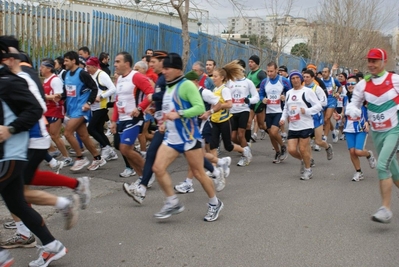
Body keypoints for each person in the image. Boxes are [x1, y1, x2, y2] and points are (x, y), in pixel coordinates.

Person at [0, 35, 67, 267]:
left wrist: (10, 129)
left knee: (19, 202)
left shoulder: (11, 81)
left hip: (10, 153)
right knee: (17, 204)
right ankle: (52, 246)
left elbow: (36, 109)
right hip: (12, 154)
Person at [152, 53, 223, 222]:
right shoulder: (169, 87)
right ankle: (172, 202)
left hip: (189, 137)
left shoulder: (186, 86)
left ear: (177, 70)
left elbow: (199, 108)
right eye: (163, 68)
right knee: (158, 168)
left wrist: (179, 114)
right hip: (172, 138)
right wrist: (164, 122)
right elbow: (170, 110)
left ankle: (214, 202)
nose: (164, 72)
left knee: (199, 173)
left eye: (167, 68)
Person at [345, 48, 399, 223]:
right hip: (377, 132)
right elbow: (354, 103)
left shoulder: (394, 80)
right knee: (394, 172)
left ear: (383, 61)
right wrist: (352, 111)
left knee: (382, 165)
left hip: (394, 130)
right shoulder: (363, 84)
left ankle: (385, 209)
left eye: (375, 61)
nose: (371, 64)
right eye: (369, 60)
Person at [63, 51, 107, 171]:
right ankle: (98, 158)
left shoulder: (82, 74)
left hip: (81, 109)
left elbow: (94, 88)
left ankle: (80, 157)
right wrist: (59, 97)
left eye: (66, 60)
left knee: (68, 133)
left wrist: (88, 103)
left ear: (73, 61)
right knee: (83, 135)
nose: (64, 63)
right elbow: (66, 92)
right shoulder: (66, 74)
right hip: (72, 109)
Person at [280, 70, 322, 180]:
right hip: (293, 125)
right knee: (292, 150)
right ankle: (304, 160)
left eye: (297, 78)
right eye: (293, 78)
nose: (295, 80)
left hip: (306, 125)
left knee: (303, 149)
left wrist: (307, 111)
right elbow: (286, 108)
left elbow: (318, 106)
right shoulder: (289, 93)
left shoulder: (307, 92)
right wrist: (283, 118)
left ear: (301, 79)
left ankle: (308, 170)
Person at [336, 74, 376, 181]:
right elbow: (344, 112)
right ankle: (359, 172)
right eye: (348, 84)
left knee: (358, 151)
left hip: (361, 127)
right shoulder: (345, 99)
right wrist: (339, 116)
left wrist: (368, 122)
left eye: (353, 83)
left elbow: (371, 110)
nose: (350, 85)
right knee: (352, 151)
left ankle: (368, 154)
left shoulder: (364, 97)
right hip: (348, 128)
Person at [85, 57, 118, 161]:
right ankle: (110, 151)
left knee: (91, 128)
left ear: (95, 66)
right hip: (94, 107)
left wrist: (101, 96)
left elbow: (113, 88)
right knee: (99, 129)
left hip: (102, 106)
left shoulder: (102, 75)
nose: (87, 69)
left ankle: (107, 147)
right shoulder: (90, 75)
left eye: (88, 67)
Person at [259, 62, 291, 163]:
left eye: (271, 71)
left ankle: (283, 146)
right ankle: (277, 152)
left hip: (279, 111)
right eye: (268, 71)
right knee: (271, 134)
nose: (269, 73)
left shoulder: (284, 81)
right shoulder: (265, 82)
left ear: (276, 70)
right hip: (269, 111)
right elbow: (261, 94)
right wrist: (262, 99)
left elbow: (291, 93)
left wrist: (285, 97)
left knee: (273, 131)